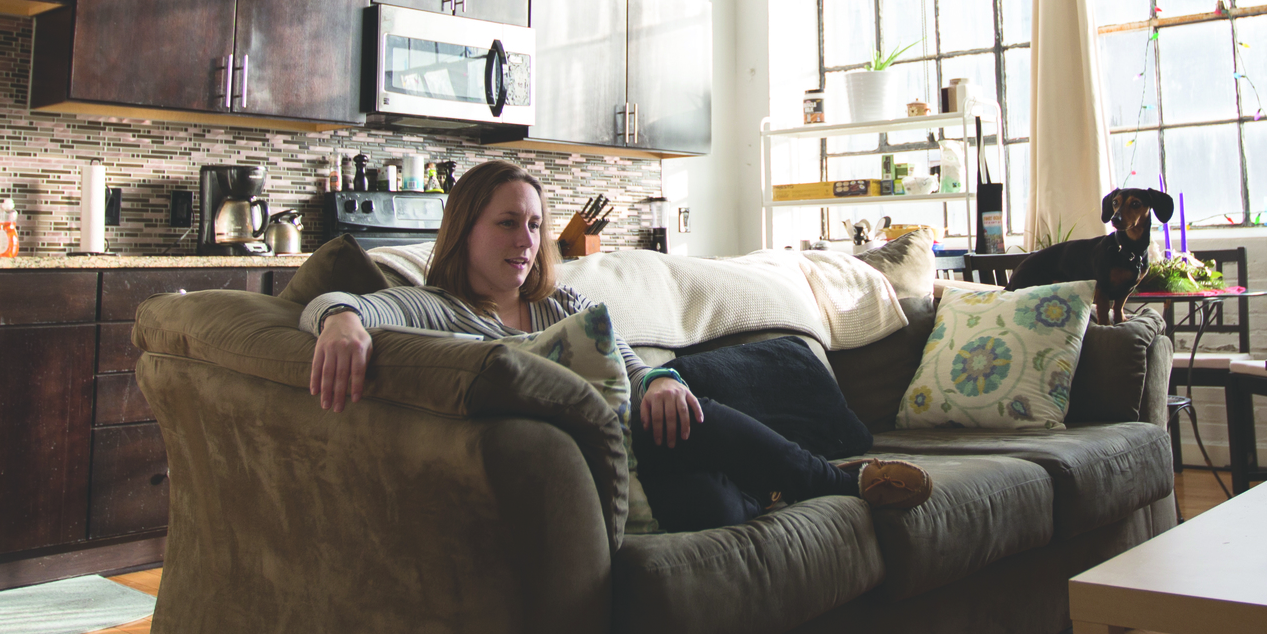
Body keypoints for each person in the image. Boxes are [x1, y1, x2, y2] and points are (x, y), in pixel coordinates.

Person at [300, 158, 929, 530]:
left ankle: (799, 483)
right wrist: (341, 324)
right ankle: (829, 482)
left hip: (652, 451)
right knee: (702, 481)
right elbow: (339, 304)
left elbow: (630, 364)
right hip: (585, 477)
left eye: (536, 225)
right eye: (507, 223)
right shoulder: (436, 308)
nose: (526, 239)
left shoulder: (561, 302)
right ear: (464, 230)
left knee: (705, 485)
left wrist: (660, 381)